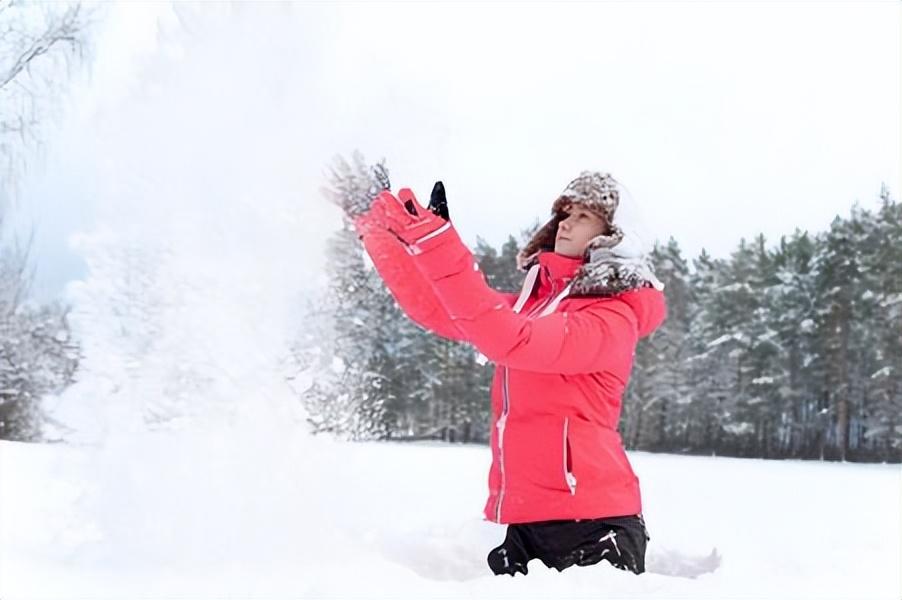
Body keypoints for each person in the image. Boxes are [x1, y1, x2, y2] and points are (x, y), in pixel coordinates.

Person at [351, 171, 667, 576]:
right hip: (523, 520)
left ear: (615, 235)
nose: (566, 223)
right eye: (565, 213)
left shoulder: (611, 319)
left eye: (584, 216)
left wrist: (437, 243)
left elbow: (508, 339)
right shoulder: (535, 306)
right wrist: (375, 227)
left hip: (593, 525)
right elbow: (437, 307)